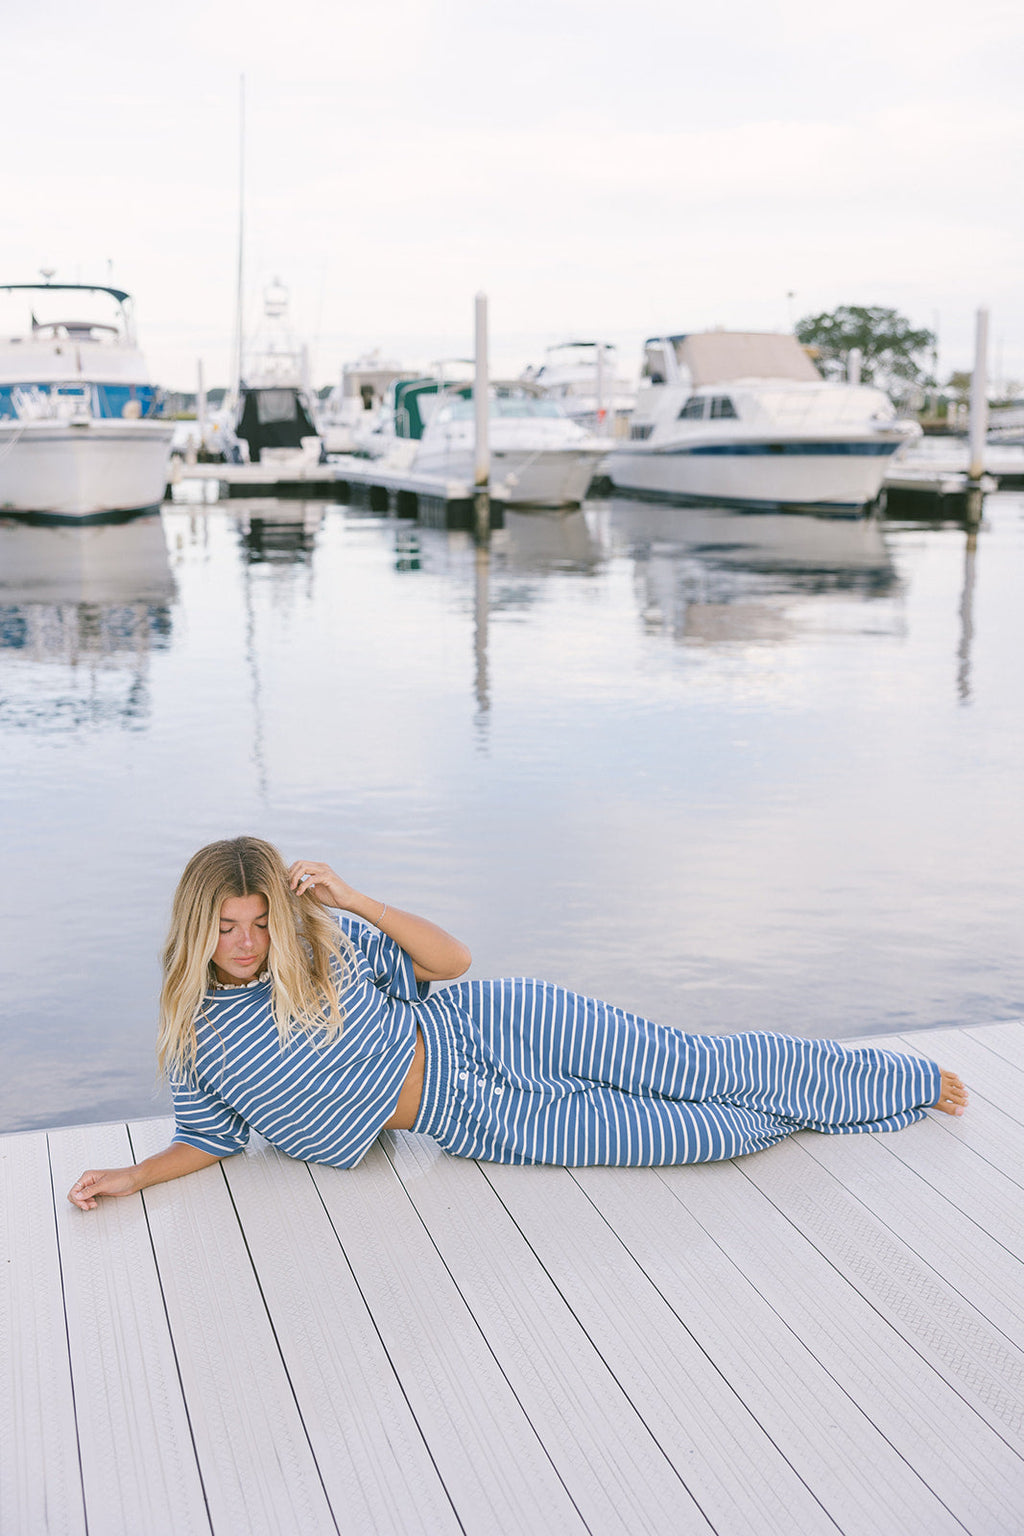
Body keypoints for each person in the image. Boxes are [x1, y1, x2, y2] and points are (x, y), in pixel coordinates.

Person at [68, 836, 968, 1210]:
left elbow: (454, 964)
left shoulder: (325, 951)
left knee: (697, 1063)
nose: (246, 941)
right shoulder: (197, 1035)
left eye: (260, 921)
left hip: (498, 1026)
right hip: (472, 1118)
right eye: (226, 926)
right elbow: (212, 1138)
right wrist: (132, 1177)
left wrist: (351, 898)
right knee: (688, 1138)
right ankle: (812, 1106)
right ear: (197, 924)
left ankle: (891, 1081)